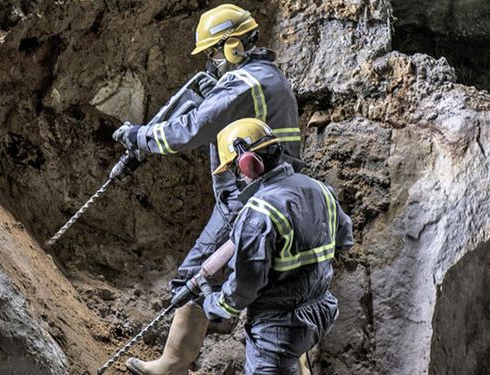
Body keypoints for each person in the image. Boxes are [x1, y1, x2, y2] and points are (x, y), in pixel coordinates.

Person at [113, 4, 303, 375]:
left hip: (250, 202)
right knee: (283, 298)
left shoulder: (246, 83)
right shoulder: (265, 78)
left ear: (233, 46)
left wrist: (141, 136)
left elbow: (192, 129)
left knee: (195, 278)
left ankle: (173, 364)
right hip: (261, 195)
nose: (212, 60)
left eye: (214, 52)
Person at [198, 118, 354, 374]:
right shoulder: (321, 189)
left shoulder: (258, 213)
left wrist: (215, 303)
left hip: (278, 330)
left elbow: (244, 289)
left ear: (247, 164)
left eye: (235, 169)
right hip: (320, 312)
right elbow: (344, 240)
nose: (237, 178)